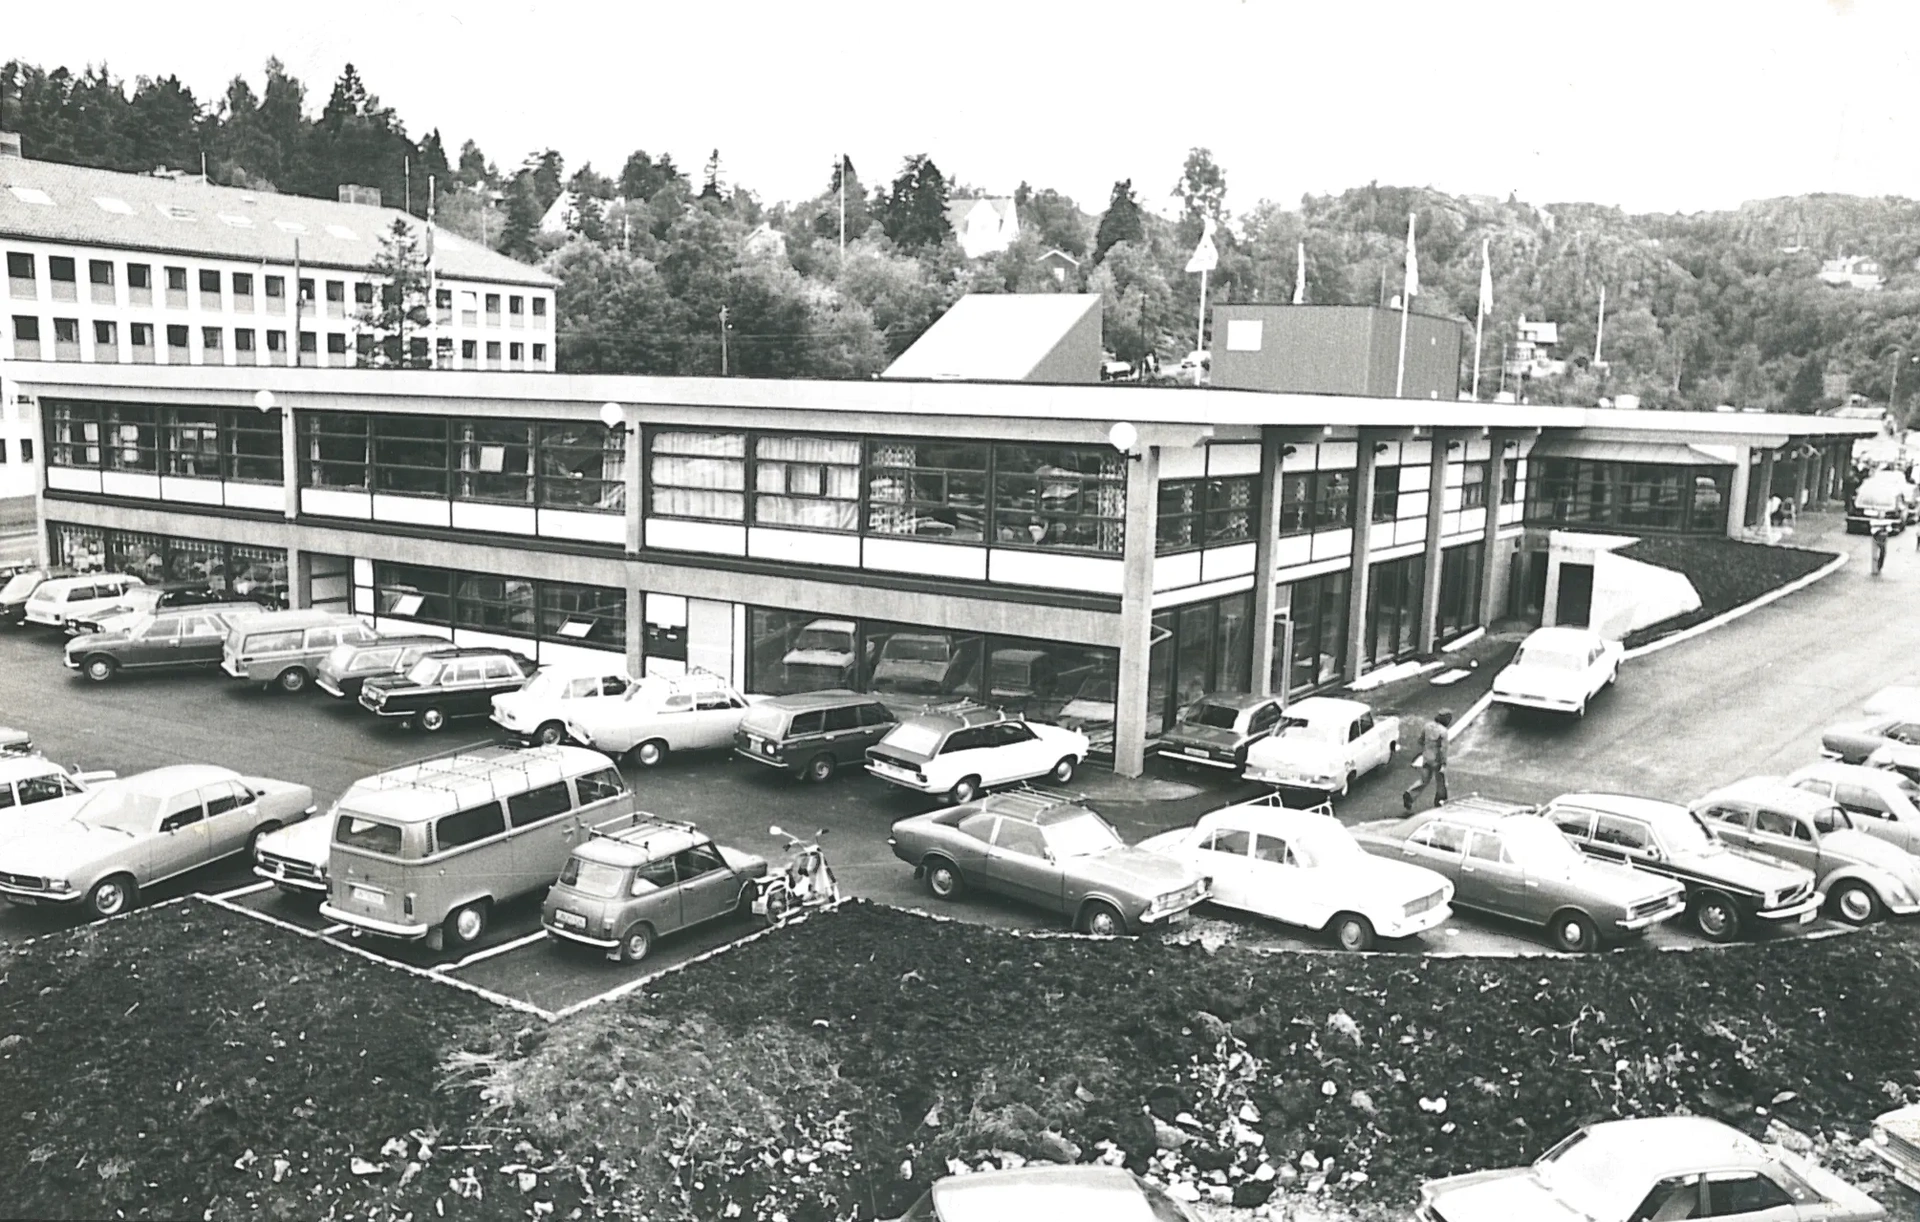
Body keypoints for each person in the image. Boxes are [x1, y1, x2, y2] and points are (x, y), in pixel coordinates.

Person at [1403, 708, 1455, 813]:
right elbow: (1443, 749)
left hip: (1426, 758)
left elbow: (1421, 740)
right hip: (1437, 760)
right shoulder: (1443, 732)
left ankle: (1410, 794)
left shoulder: (1427, 726)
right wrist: (1443, 763)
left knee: (1424, 780)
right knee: (1441, 782)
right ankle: (1440, 802)